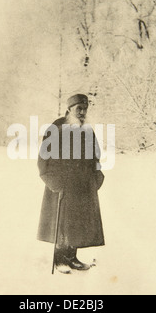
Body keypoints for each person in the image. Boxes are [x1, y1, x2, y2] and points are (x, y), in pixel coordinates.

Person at [37, 94, 105, 273]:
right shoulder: (57, 127)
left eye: (85, 109)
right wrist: (51, 179)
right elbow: (43, 159)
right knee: (62, 223)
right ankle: (59, 260)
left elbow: (96, 155)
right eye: (78, 109)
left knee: (78, 222)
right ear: (69, 110)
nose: (82, 112)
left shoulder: (87, 130)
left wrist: (97, 175)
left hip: (82, 184)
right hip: (62, 183)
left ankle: (72, 257)